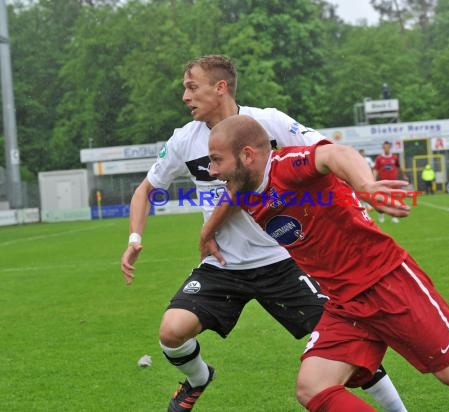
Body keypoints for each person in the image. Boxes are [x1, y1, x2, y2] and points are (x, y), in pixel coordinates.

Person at [207, 114, 449, 412]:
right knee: (312, 387)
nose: (211, 169)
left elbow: (336, 154)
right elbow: (230, 198)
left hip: (386, 281)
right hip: (344, 303)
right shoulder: (243, 188)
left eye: (217, 159)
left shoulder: (288, 166)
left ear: (249, 154)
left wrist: (367, 186)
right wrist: (207, 232)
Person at [120, 55, 406, 412]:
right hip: (223, 265)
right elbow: (146, 189)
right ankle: (198, 380)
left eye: (192, 87)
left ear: (220, 87)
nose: (185, 97)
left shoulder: (269, 122)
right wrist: (135, 239)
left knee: (345, 348)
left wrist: (366, 185)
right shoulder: (184, 140)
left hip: (283, 261)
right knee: (172, 332)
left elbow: (329, 151)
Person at [373, 141, 407, 223]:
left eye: (387, 147)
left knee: (395, 199)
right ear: (383, 148)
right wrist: (373, 179)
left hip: (394, 182)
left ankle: (394, 217)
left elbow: (399, 167)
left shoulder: (394, 157)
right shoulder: (379, 158)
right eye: (384, 147)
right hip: (383, 182)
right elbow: (376, 169)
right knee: (382, 199)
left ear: (390, 147)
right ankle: (381, 215)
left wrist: (404, 175)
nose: (386, 148)